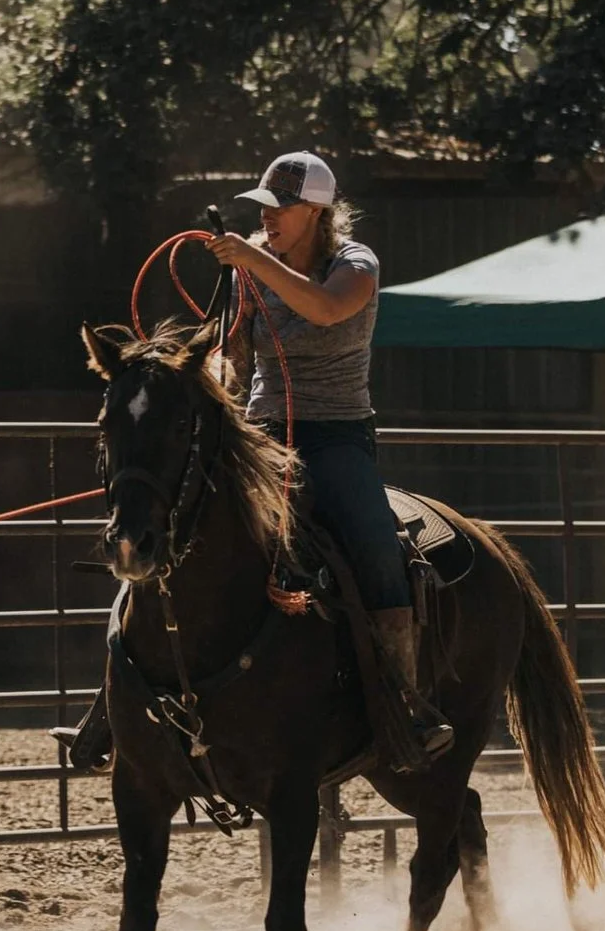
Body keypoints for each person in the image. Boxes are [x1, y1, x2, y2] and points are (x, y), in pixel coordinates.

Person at [58, 151, 453, 773]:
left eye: (280, 208)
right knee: (175, 524)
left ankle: (403, 703)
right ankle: (112, 704)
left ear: (316, 213)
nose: (266, 217)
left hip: (336, 437)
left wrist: (252, 261)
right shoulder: (250, 270)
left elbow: (326, 309)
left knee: (376, 540)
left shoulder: (354, 264)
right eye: (262, 208)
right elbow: (235, 358)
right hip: (259, 432)